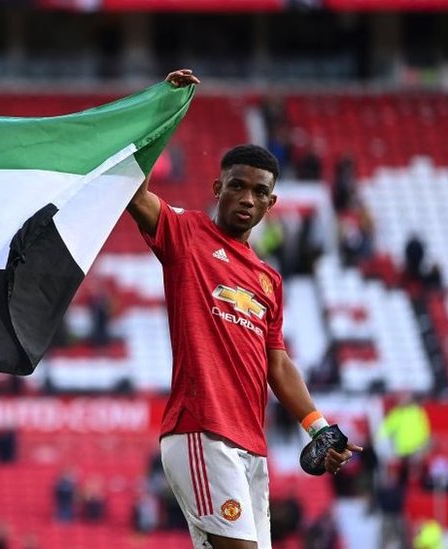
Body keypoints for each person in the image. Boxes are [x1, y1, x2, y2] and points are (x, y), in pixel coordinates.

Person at [127, 69, 361, 549]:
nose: (247, 198)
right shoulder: (187, 235)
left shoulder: (269, 280)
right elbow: (133, 191)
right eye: (237, 186)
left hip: (251, 446)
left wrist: (317, 426)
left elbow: (276, 362)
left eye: (259, 192)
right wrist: (162, 110)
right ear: (218, 188)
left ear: (271, 203)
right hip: (201, 431)